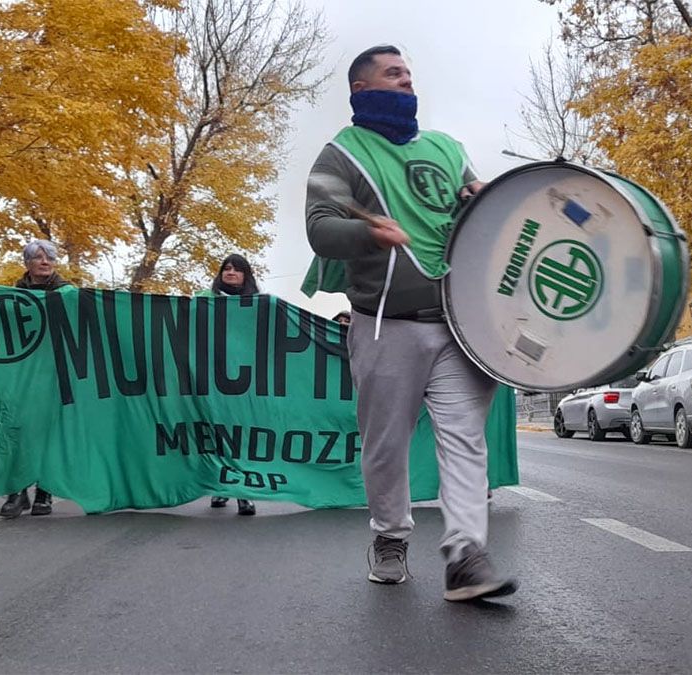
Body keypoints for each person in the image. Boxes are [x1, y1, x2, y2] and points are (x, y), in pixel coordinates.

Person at [304, 46, 516, 601]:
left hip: (458, 324)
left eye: (408, 73)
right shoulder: (341, 155)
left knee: (466, 439)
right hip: (385, 325)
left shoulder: (446, 148)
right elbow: (321, 228)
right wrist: (369, 233)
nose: (405, 81)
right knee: (385, 446)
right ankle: (390, 535)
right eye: (392, 73)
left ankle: (466, 555)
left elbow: (477, 206)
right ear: (360, 88)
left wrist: (478, 197)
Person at [0, 239, 72, 519]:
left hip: (53, 373)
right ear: (27, 263)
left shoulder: (67, 293)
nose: (45, 262)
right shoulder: (10, 297)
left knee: (48, 431)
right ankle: (17, 492)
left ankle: (44, 491)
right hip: (20, 373)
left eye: (49, 257)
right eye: (38, 257)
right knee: (17, 429)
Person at [197, 253, 259, 516]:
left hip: (245, 382)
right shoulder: (205, 299)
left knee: (241, 436)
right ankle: (222, 486)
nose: (231, 272)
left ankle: (242, 491)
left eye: (237, 269)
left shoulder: (257, 304)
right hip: (212, 378)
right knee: (217, 435)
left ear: (246, 275)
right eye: (226, 268)